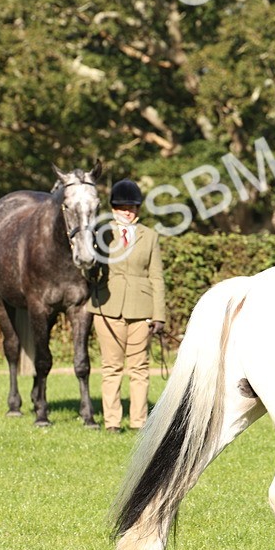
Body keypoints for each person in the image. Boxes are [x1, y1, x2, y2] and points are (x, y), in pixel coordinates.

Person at [89, 179, 166, 432]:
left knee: (140, 368)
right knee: (111, 366)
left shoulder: (150, 236)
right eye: (122, 206)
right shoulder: (101, 233)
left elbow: (156, 276)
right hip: (107, 306)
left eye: (131, 206)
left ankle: (138, 422)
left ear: (138, 208)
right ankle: (112, 422)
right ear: (113, 207)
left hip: (141, 309)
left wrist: (159, 315)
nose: (127, 211)